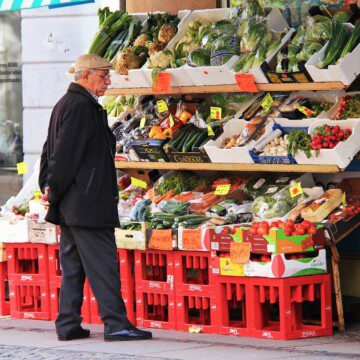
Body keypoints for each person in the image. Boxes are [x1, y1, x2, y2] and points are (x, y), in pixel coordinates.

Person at [39, 54, 152, 342]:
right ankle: (116, 324)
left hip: (74, 202)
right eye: (103, 75)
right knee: (103, 264)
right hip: (86, 202)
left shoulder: (69, 104)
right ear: (85, 76)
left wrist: (50, 190)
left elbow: (48, 149)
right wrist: (52, 189)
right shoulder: (80, 107)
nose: (108, 81)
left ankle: (68, 325)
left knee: (73, 267)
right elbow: (62, 155)